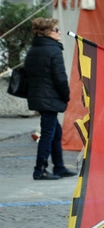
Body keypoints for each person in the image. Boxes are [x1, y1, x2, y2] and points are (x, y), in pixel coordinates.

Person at [24, 18, 76, 181]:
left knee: (56, 132)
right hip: (50, 97)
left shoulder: (33, 49)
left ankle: (59, 167)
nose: (60, 32)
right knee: (48, 134)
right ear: (47, 32)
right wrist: (66, 95)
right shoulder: (53, 50)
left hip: (38, 96)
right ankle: (40, 170)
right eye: (56, 29)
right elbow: (60, 78)